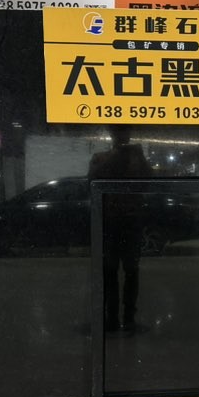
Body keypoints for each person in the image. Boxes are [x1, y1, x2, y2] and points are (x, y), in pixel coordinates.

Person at [88, 126, 152, 332]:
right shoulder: (102, 158)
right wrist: (117, 157)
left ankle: (126, 317)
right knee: (112, 270)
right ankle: (114, 317)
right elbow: (92, 180)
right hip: (113, 221)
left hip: (127, 221)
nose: (123, 137)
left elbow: (148, 182)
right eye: (119, 133)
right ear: (112, 136)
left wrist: (139, 157)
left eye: (124, 133)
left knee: (129, 270)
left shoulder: (134, 159)